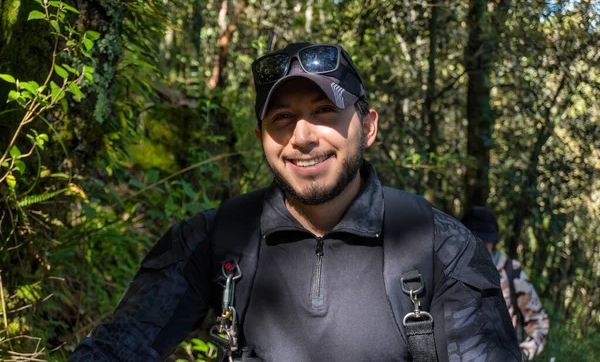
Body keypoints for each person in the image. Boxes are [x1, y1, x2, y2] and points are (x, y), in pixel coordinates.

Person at [69, 43, 521, 362]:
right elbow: (120, 345)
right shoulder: (213, 239)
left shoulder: (441, 248)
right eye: (281, 117)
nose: (302, 137)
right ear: (260, 138)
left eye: (324, 110)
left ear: (367, 127)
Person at [461, 206, 550, 360]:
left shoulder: (511, 272)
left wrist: (521, 354)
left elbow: (539, 325)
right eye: (475, 239)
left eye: (485, 240)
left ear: (493, 241)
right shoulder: (450, 272)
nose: (480, 245)